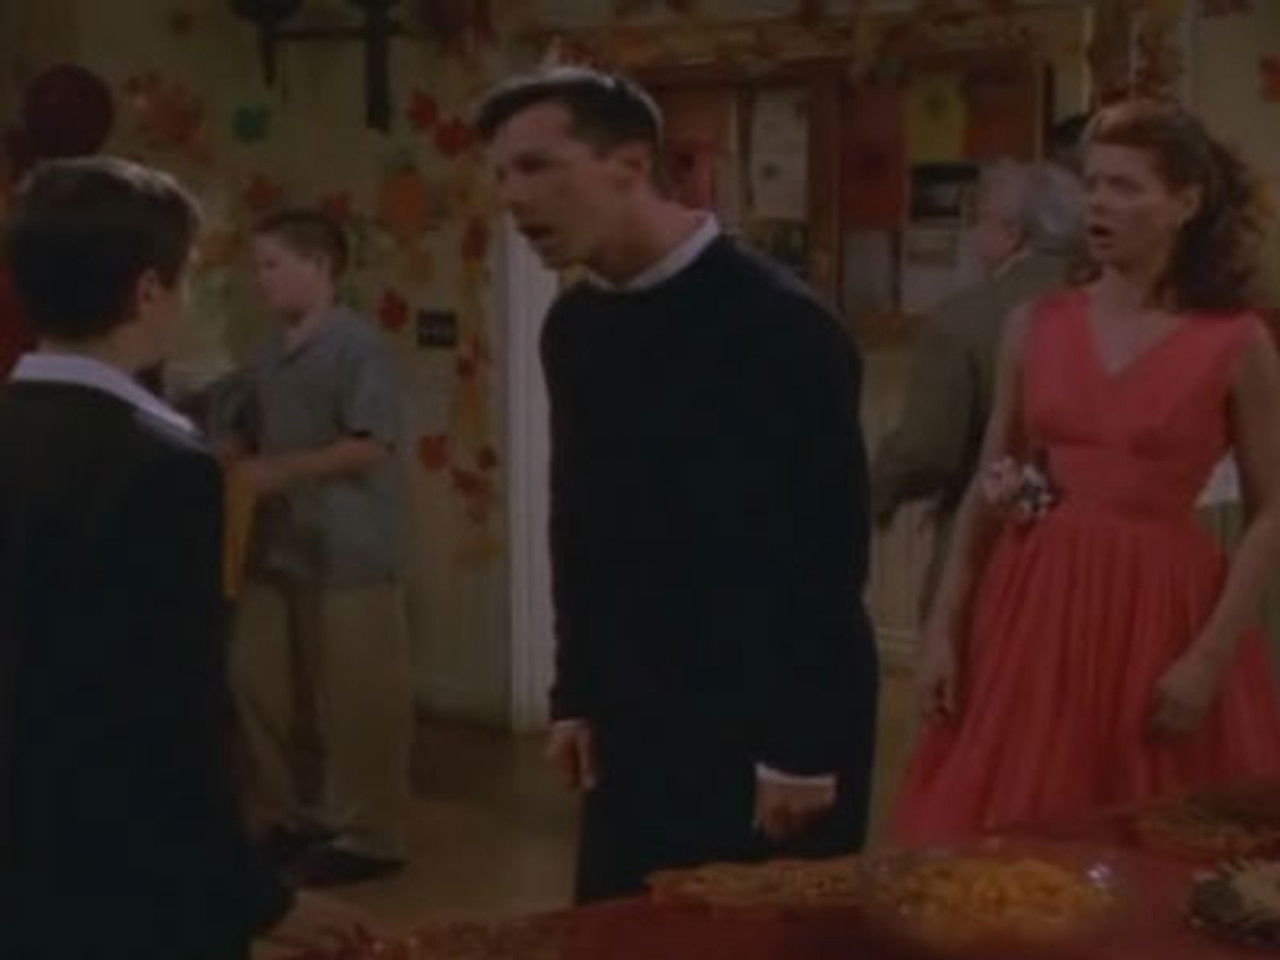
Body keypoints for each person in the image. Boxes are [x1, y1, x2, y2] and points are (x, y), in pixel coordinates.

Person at [478, 68, 879, 902]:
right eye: (502, 174)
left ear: (630, 164)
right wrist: (575, 693)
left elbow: (825, 555)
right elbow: (579, 521)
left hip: (763, 709)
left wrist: (804, 748)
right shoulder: (577, 325)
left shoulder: (780, 324)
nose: (513, 197)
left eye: (538, 166)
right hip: (635, 700)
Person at [0, 157, 366, 958]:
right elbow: (170, 715)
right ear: (147, 292)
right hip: (124, 880)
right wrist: (251, 896)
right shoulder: (165, 468)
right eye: (188, 277)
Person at [894, 101, 1280, 844]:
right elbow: (991, 481)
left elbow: (1271, 510)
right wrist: (945, 627)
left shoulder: (1234, 342)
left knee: (1159, 835)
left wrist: (1210, 656)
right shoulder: (1036, 324)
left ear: (1185, 203)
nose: (1099, 202)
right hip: (1036, 602)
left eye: (1126, 187)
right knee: (1019, 835)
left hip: (1163, 606)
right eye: (1093, 183)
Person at [214, 209, 413, 888]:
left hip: (349, 548)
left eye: (273, 265)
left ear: (320, 266)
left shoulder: (359, 348)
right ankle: (286, 814)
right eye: (259, 266)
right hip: (277, 547)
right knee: (261, 680)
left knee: (357, 694)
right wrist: (233, 444)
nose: (262, 280)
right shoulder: (269, 352)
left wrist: (283, 470)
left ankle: (370, 831)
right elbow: (240, 417)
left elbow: (372, 442)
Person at [872, 159, 1074, 609]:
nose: (970, 235)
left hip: (991, 545)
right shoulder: (1121, 308)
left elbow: (927, 451)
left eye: (978, 220)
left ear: (1012, 232)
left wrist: (871, 495)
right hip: (1101, 556)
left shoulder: (962, 321)